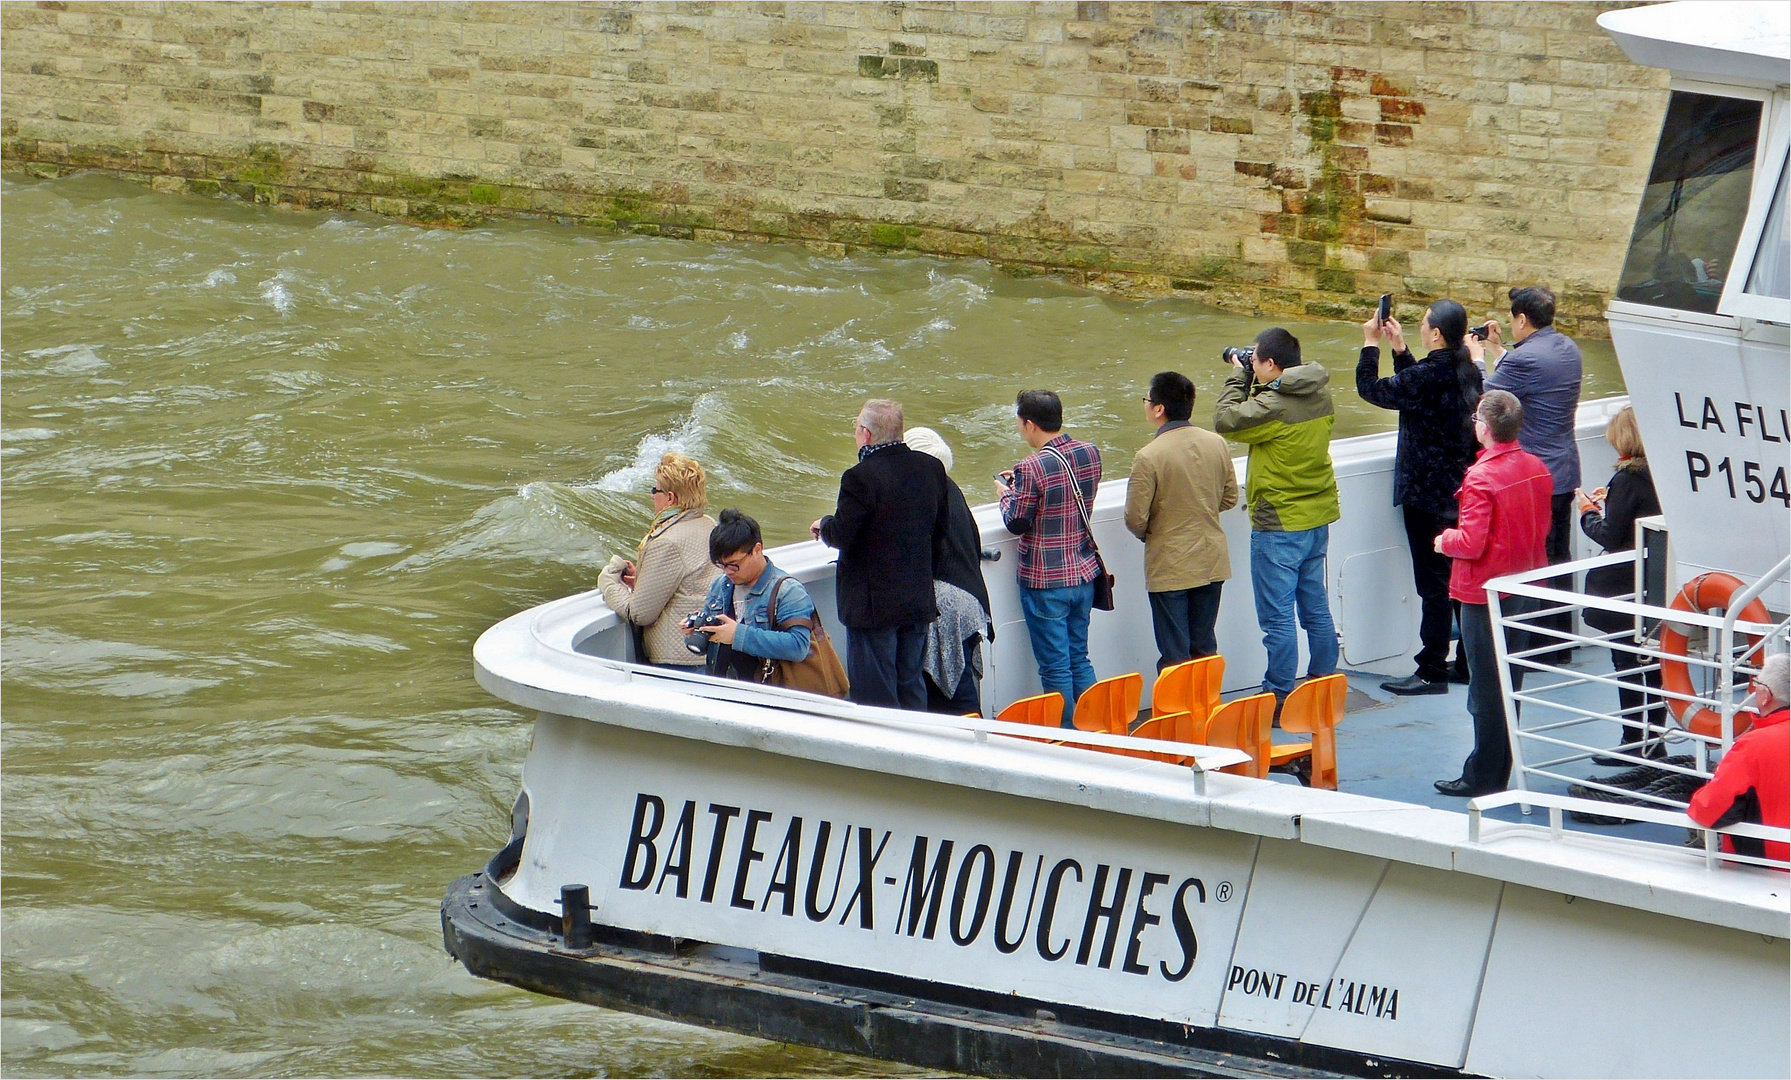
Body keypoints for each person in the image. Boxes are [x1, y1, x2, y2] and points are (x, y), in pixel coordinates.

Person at [1358, 299, 1484, 695]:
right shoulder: (1465, 371)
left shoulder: (1430, 375)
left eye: (1423, 325)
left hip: (1426, 495)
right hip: (1460, 491)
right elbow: (1417, 388)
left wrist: (1370, 344)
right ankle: (1467, 663)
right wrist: (1400, 351)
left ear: (1435, 334)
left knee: (1433, 585)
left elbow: (1372, 390)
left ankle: (1430, 668)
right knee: (1461, 581)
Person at [1433, 391, 1555, 797]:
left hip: (1485, 593)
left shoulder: (1482, 477)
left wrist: (1443, 540)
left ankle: (1483, 774)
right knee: (1509, 679)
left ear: (1484, 428)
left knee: (1485, 687)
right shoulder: (1536, 468)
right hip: (1525, 585)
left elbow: (1470, 542)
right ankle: (1500, 767)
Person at [1213, 328, 1340, 708]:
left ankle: (1280, 693)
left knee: (1278, 618)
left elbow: (1226, 420)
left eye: (1256, 361)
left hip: (1280, 522)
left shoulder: (1274, 406)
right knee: (1315, 608)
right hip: (1317, 515)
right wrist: (1257, 377)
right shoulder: (1319, 391)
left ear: (1270, 364)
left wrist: (1239, 376)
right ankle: (1323, 683)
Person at [811, 400, 951, 710]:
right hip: (917, 598)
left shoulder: (859, 477)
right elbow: (940, 532)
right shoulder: (931, 469)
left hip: (873, 608)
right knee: (911, 684)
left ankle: (886, 754)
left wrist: (824, 525)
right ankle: (920, 747)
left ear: (866, 434)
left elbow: (843, 535)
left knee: (877, 696)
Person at [1472, 285, 1583, 661]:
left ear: (1521, 319)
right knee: (1559, 554)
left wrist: (1476, 358)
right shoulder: (1568, 348)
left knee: (1533, 559)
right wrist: (1496, 350)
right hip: (1565, 468)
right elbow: (1532, 376)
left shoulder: (1524, 360)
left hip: (1534, 476)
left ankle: (1540, 647)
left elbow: (1488, 399)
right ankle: (1560, 643)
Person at [997, 389, 1103, 727]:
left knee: (1056, 666)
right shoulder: (1090, 452)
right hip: (1084, 572)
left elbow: (1017, 521)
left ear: (1029, 424)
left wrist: (1007, 494)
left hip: (1045, 581)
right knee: (1079, 658)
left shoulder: (1030, 466)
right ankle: (1096, 730)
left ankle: (1069, 739)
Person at [1124, 370, 1238, 670]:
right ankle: (1206, 709)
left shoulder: (1148, 456)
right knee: (1204, 645)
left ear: (1159, 409)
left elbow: (1135, 518)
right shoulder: (1216, 443)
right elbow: (1229, 498)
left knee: (1175, 654)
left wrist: (1155, 532)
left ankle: (1179, 715)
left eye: (1147, 400)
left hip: (1171, 564)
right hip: (1211, 558)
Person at [1576, 406, 1665, 762]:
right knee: (1654, 666)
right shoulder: (1658, 476)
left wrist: (1587, 512)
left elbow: (1612, 536)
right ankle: (1654, 741)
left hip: (1624, 588)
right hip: (1653, 583)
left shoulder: (1628, 479)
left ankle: (1633, 742)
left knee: (1627, 666)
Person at [597, 452, 719, 669]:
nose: (652, 496)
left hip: (679, 663)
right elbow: (689, 584)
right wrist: (643, 579)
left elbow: (638, 614)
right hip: (711, 655)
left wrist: (607, 583)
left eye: (655, 490)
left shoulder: (666, 542)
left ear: (670, 498)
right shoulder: (708, 524)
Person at [905, 426, 993, 715]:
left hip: (945, 605)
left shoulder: (918, 493)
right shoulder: (951, 488)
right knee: (961, 678)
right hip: (972, 599)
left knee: (950, 692)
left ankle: (974, 745)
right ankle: (977, 736)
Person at [1686, 653, 1789, 863]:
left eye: (1757, 683)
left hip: (1769, 872)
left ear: (1765, 695)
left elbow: (1709, 810)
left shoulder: (1754, 745)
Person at [693, 509, 817, 682]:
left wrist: (738, 635)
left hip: (765, 688)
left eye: (734, 565)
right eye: (721, 565)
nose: (728, 572)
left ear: (757, 549)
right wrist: (698, 631)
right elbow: (713, 643)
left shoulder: (788, 590)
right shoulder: (721, 585)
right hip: (721, 684)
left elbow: (798, 646)